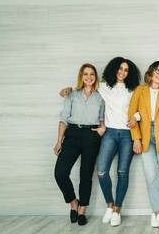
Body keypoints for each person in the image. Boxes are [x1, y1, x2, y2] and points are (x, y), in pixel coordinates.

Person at [59, 57, 141, 227]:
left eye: (126, 70)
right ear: (113, 69)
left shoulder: (133, 89)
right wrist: (68, 89)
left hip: (127, 133)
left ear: (129, 73)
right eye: (120, 68)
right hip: (109, 132)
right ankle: (109, 206)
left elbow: (142, 107)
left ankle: (117, 210)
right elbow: (85, 86)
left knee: (122, 172)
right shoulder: (104, 87)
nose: (122, 72)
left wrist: (136, 116)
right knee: (102, 171)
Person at [128, 61, 159, 230]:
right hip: (144, 137)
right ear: (151, 71)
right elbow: (131, 114)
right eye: (158, 70)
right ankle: (158, 213)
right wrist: (136, 138)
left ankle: (155, 212)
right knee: (152, 176)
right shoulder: (139, 90)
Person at [54, 63, 105, 226]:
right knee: (60, 173)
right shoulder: (71, 95)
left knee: (86, 175)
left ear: (95, 77)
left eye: (92, 74)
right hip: (72, 134)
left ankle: (82, 209)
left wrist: (102, 128)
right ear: (81, 77)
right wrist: (59, 140)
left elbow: (103, 117)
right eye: (85, 74)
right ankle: (73, 203)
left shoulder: (100, 96)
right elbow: (64, 119)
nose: (89, 77)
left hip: (92, 136)